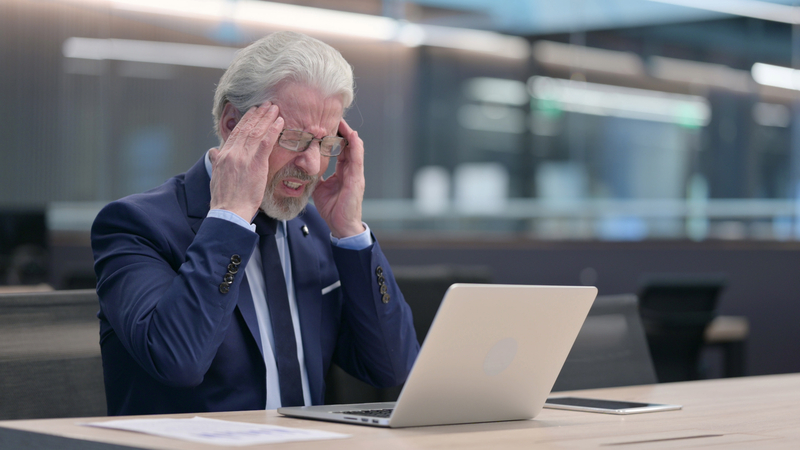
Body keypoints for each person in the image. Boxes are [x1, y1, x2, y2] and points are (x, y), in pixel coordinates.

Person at [91, 31, 419, 416]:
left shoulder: (310, 231)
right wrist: (229, 218)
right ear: (234, 123)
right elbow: (177, 361)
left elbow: (392, 366)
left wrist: (350, 233)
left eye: (327, 144)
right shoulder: (135, 225)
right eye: (295, 139)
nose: (313, 166)